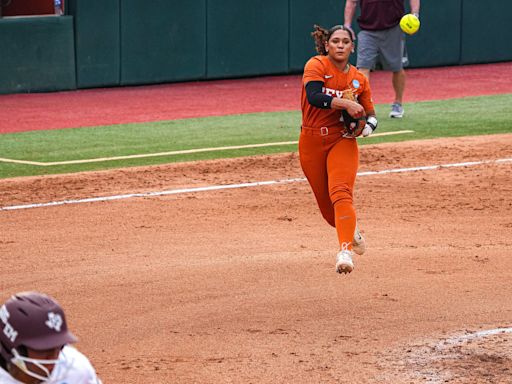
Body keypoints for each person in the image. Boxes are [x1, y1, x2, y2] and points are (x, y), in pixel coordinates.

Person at [300, 24, 378, 274]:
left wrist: (367, 128)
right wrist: (344, 103)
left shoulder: (359, 79)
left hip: (342, 139)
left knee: (341, 193)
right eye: (336, 41)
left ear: (352, 47)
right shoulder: (316, 65)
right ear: (326, 45)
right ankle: (351, 230)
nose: (341, 45)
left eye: (346, 41)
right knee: (327, 210)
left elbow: (371, 114)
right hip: (311, 141)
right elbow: (314, 96)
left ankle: (344, 252)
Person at [0, 291, 102, 384]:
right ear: (13, 349)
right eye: (44, 350)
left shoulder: (76, 370)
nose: (54, 358)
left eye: (59, 347)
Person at [343, 0, 421, 118]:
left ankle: (398, 103)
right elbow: (352, 2)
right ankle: (363, 105)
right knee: (363, 68)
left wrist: (415, 14)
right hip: (367, 30)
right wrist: (347, 25)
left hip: (394, 28)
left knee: (397, 68)